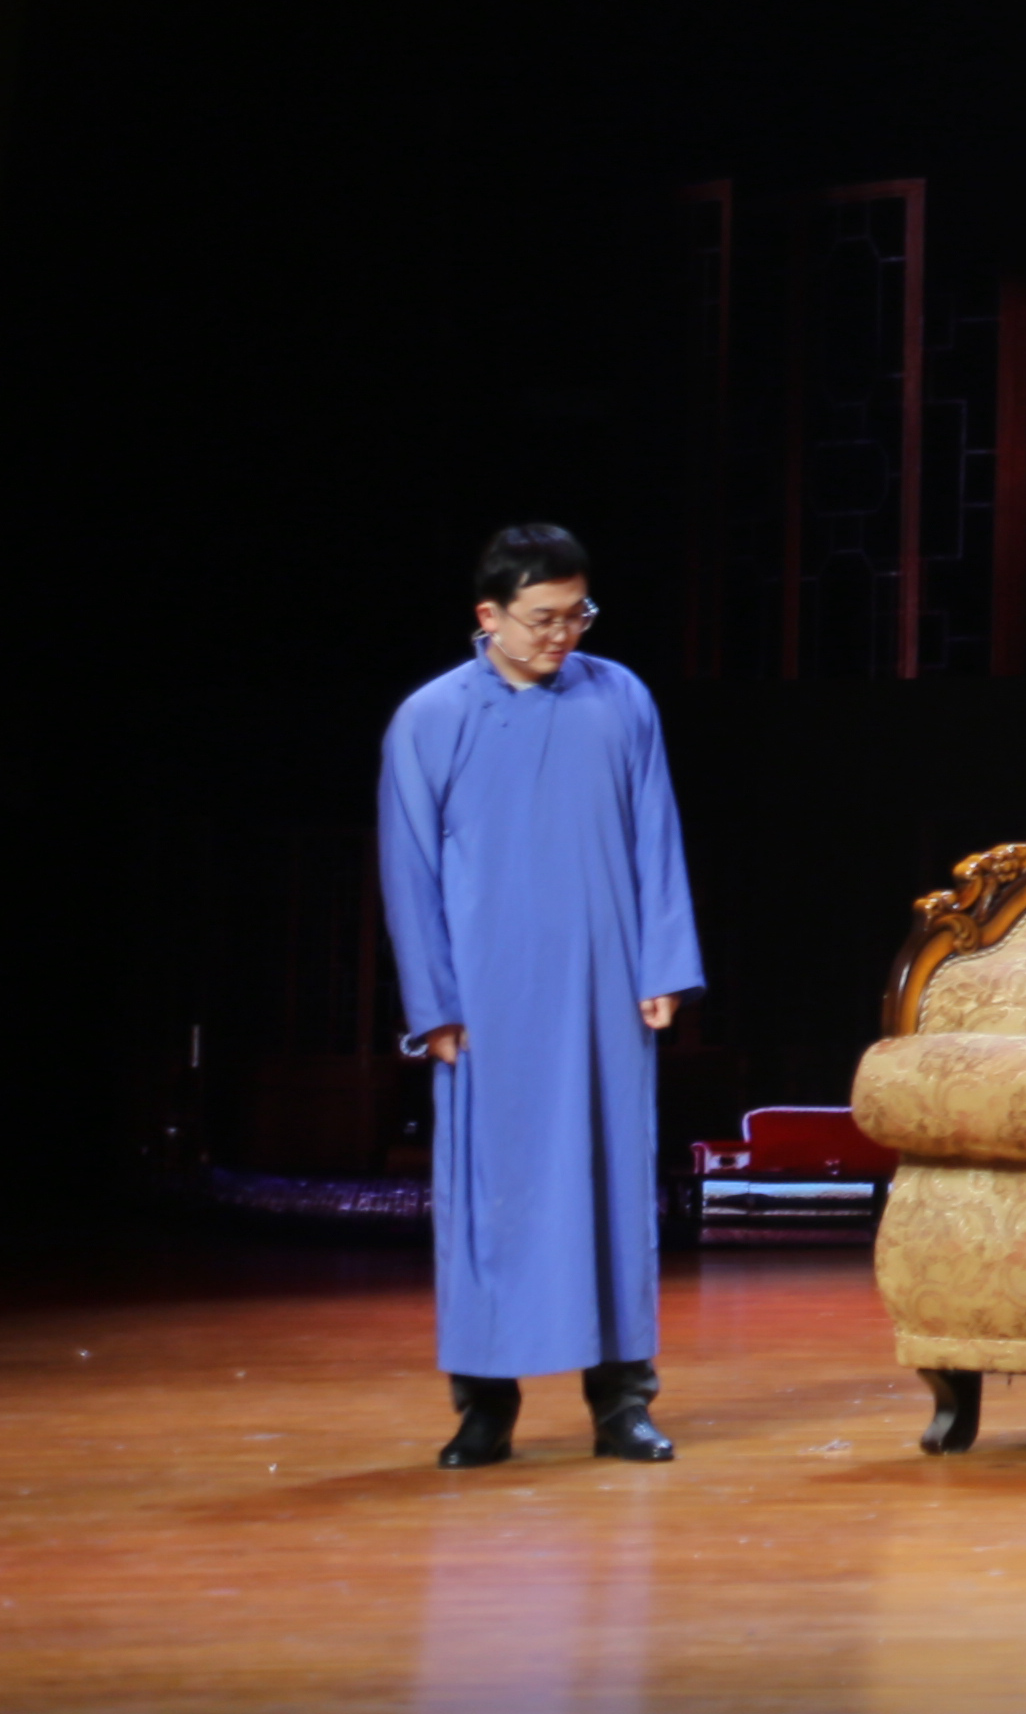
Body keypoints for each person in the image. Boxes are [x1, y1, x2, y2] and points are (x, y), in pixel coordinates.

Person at [376, 522, 707, 1469]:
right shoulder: (432, 717)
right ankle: (486, 1406)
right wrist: (434, 1007)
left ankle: (621, 1402)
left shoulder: (620, 697)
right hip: (488, 999)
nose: (563, 634)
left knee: (613, 1189)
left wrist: (661, 966)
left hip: (602, 984)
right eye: (543, 618)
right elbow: (408, 871)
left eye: (577, 614)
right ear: (490, 615)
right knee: (492, 1200)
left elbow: (655, 833)